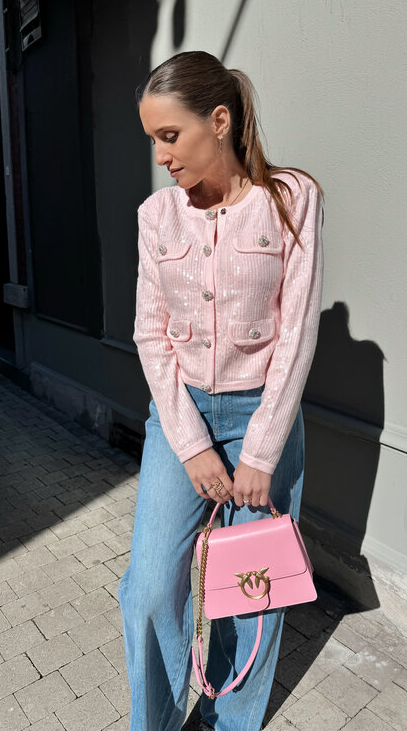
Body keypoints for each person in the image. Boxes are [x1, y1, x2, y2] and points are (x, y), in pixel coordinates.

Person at [118, 51, 324, 731]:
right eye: (153, 139)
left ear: (220, 120)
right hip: (181, 418)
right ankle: (160, 721)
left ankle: (233, 721)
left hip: (264, 415)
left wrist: (260, 451)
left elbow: (296, 333)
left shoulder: (292, 199)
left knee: (251, 592)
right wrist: (190, 443)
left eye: (168, 136)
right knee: (150, 590)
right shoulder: (157, 217)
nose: (160, 156)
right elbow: (151, 334)